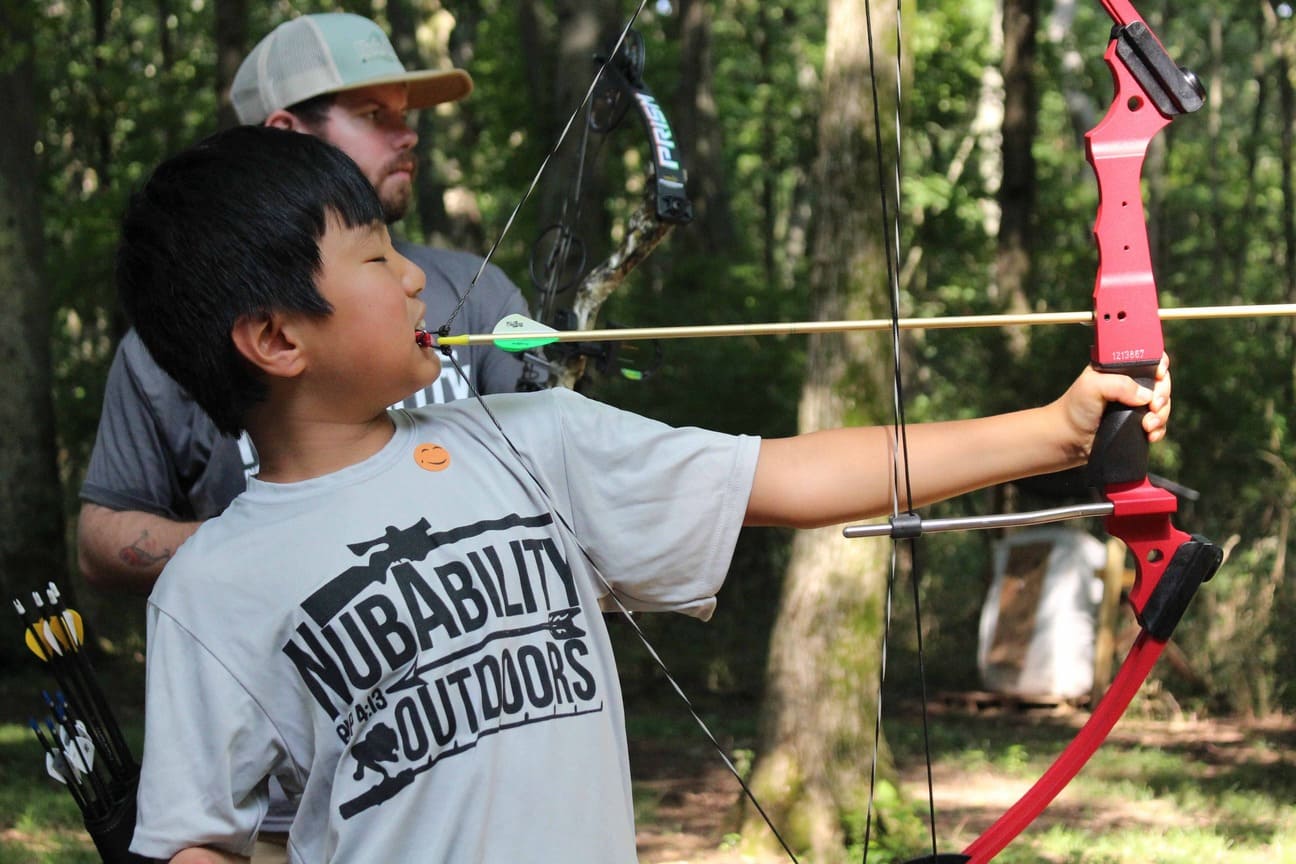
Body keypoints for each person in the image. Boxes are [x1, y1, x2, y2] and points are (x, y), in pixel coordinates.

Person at [122, 126, 1170, 864]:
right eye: (376, 256)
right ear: (275, 337)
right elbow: (195, 839)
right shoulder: (213, 586)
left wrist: (1057, 429)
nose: (413, 279)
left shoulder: (530, 437)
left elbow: (792, 476)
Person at [77, 12, 528, 596]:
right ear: (288, 133)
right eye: (373, 115)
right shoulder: (176, 335)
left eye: (405, 115)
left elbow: (544, 470)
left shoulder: (477, 287)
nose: (408, 134)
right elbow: (101, 540)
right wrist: (278, 538)